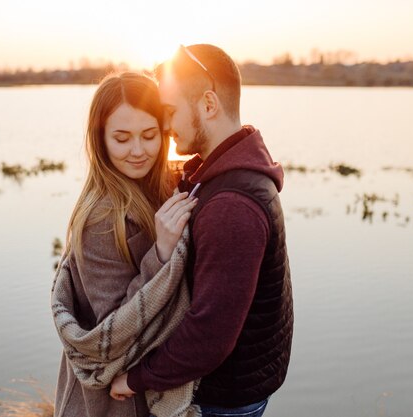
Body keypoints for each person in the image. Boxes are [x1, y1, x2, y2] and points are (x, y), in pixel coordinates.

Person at [110, 44, 294, 417]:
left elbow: (210, 334)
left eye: (171, 112)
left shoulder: (232, 206)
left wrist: (136, 379)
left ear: (208, 105)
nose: (165, 126)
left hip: (223, 400)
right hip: (237, 386)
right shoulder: (226, 170)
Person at [51, 72, 198, 417]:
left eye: (149, 136)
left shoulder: (164, 185)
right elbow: (115, 331)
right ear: (100, 140)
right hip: (113, 403)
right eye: (121, 138)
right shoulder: (101, 218)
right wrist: (161, 253)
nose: (137, 151)